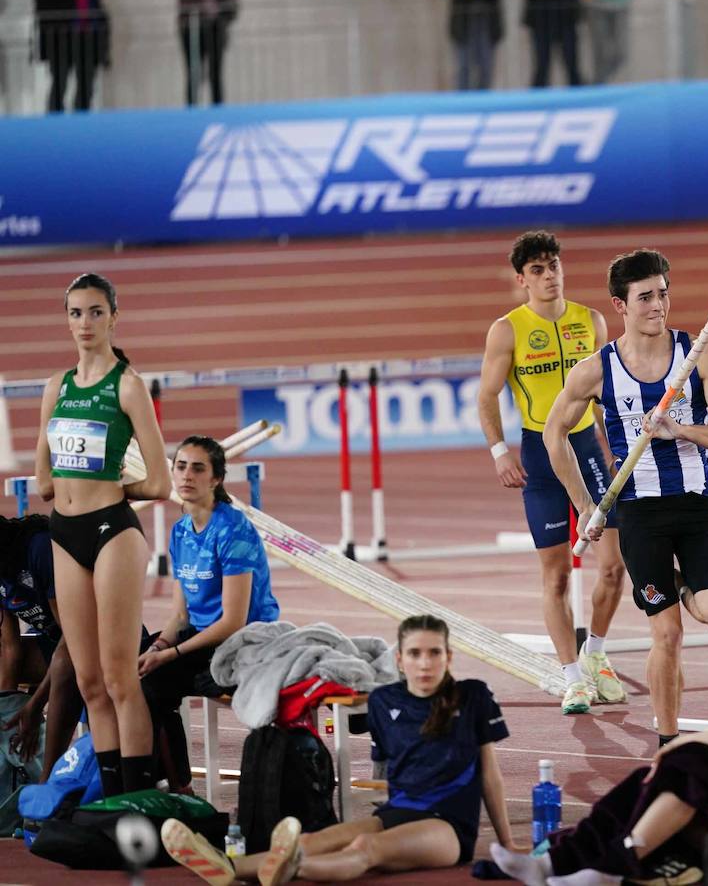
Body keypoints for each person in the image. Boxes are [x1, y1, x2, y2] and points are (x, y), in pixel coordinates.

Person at [544, 249, 708, 748]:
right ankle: (668, 741)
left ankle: (679, 586)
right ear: (620, 306)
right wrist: (586, 504)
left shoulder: (700, 355)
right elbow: (554, 433)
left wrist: (678, 428)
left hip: (697, 508)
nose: (659, 305)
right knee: (668, 636)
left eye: (663, 293)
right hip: (639, 516)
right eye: (646, 297)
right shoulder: (597, 371)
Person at [161, 613, 519, 884]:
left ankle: (291, 867)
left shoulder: (472, 696)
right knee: (315, 839)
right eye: (415, 653)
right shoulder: (383, 701)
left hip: (447, 827)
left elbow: (490, 775)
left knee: (365, 849)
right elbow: (388, 774)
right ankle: (227, 868)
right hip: (396, 813)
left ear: (448, 657)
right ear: (400, 661)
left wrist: (507, 844)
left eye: (434, 653)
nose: (425, 663)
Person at [492, 603, 708, 886]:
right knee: (653, 783)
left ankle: (609, 869)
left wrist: (674, 747)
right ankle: (554, 863)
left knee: (693, 761)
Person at [478, 230, 629, 716]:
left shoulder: (592, 321)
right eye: (538, 270)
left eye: (554, 266)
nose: (549, 276)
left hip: (587, 451)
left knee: (613, 564)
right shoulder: (508, 330)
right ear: (522, 280)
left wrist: (619, 448)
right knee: (557, 576)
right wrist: (500, 451)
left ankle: (597, 654)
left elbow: (611, 393)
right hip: (541, 457)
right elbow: (486, 395)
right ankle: (572, 678)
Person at [36, 273, 172, 797]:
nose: (84, 323)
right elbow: (44, 482)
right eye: (75, 313)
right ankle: (112, 798)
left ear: (114, 317)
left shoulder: (127, 385)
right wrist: (74, 474)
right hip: (64, 532)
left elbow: (158, 482)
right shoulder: (57, 387)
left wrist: (109, 480)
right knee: (88, 682)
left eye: (95, 312)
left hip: (112, 530)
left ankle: (136, 797)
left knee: (119, 680)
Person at [137, 435, 280, 792]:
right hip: (200, 638)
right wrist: (158, 648)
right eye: (180, 467)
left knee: (155, 681)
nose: (186, 476)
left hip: (244, 639)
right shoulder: (180, 530)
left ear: (216, 479)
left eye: (198, 468)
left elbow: (233, 621)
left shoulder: (234, 529)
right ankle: (167, 787)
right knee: (137, 672)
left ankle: (180, 790)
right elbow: (180, 616)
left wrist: (171, 654)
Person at [0, 514, 83, 781]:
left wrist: (35, 707)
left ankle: (49, 783)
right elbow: (8, 647)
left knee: (64, 674)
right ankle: (20, 772)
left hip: (90, 639)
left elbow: (73, 636)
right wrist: (8, 715)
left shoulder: (38, 549)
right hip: (53, 643)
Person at [585, 0, 697, 84]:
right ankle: (597, 87)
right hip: (596, 3)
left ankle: (597, 84)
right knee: (600, 53)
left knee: (620, 53)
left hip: (620, 6)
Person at [31, 0, 111, 112]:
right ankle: (55, 124)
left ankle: (81, 123)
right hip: (59, 31)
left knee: (87, 83)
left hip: (89, 30)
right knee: (60, 81)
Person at [171, 0, 238, 106]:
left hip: (215, 24)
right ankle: (192, 111)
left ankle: (218, 109)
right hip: (191, 25)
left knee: (216, 73)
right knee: (194, 73)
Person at [519, 0, 590, 87]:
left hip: (567, 12)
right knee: (542, 63)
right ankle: (537, 100)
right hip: (540, 11)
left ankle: (578, 99)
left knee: (571, 61)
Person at [445, 0, 506, 90]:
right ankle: (463, 103)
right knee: (463, 65)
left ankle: (483, 102)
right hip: (462, 18)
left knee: (486, 65)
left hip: (488, 16)